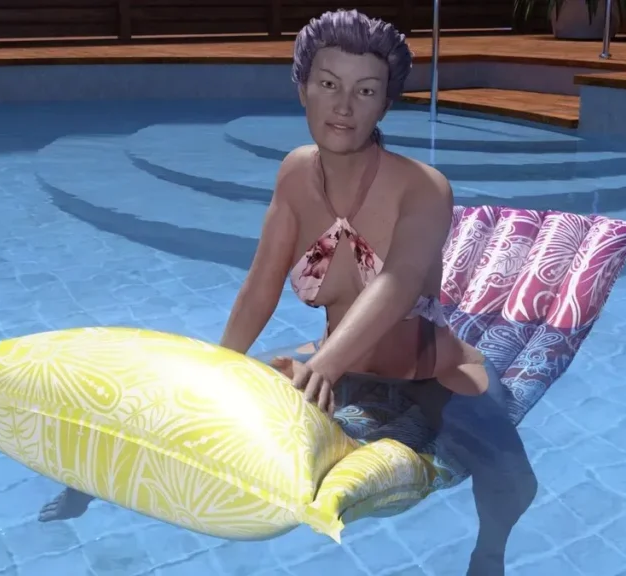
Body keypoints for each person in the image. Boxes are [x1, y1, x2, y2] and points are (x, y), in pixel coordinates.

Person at [38, 10, 537, 574]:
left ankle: (489, 555)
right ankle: (90, 483)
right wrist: (218, 368)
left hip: (430, 377)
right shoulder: (296, 175)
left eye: (365, 91)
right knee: (164, 408)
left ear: (385, 103)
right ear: (303, 89)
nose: (343, 106)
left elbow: (397, 285)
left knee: (515, 482)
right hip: (334, 369)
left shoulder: (422, 188)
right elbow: (261, 284)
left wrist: (325, 365)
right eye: (328, 84)